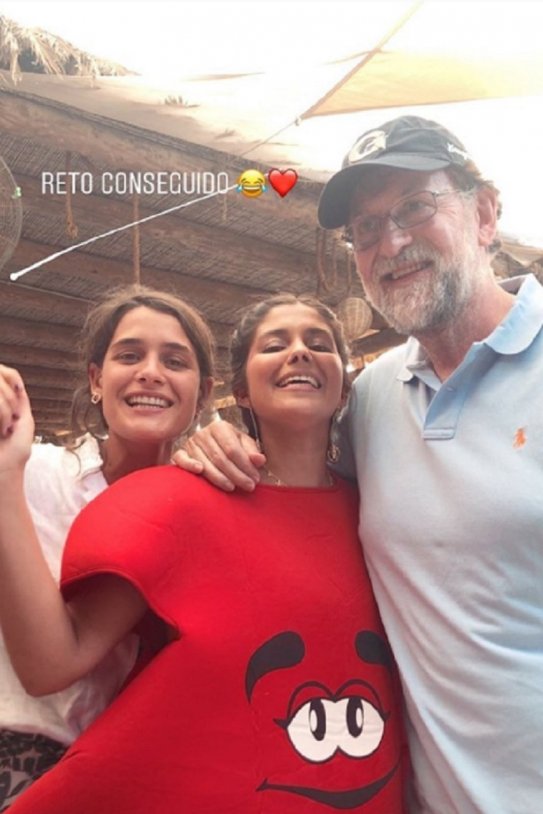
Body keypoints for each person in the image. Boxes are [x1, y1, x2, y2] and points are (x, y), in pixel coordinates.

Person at [174, 117, 543, 814]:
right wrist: (209, 441)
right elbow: (294, 477)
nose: (390, 243)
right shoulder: (372, 398)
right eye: (366, 229)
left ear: (485, 214)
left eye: (414, 207)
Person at [4, 294, 408, 813]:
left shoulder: (379, 512)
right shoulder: (182, 503)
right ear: (239, 390)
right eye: (275, 344)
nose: (299, 353)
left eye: (318, 343)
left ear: (345, 386)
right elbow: (57, 658)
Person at [0, 284, 214, 810]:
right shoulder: (32, 469)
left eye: (174, 361)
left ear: (203, 393)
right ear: (97, 380)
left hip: (118, 773)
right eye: (129, 355)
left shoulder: (202, 510)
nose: (150, 372)